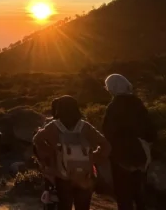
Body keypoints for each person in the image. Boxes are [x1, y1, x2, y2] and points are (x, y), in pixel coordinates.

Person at [33, 95, 111, 210]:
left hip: (63, 176)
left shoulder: (53, 127)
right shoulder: (85, 126)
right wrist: (93, 158)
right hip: (85, 175)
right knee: (83, 207)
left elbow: (37, 140)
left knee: (64, 206)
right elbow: (106, 145)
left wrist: (50, 153)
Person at [102, 74, 157, 210]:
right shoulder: (137, 103)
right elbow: (150, 129)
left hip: (120, 155)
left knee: (123, 193)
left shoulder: (113, 106)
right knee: (139, 192)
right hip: (141, 152)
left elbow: (108, 132)